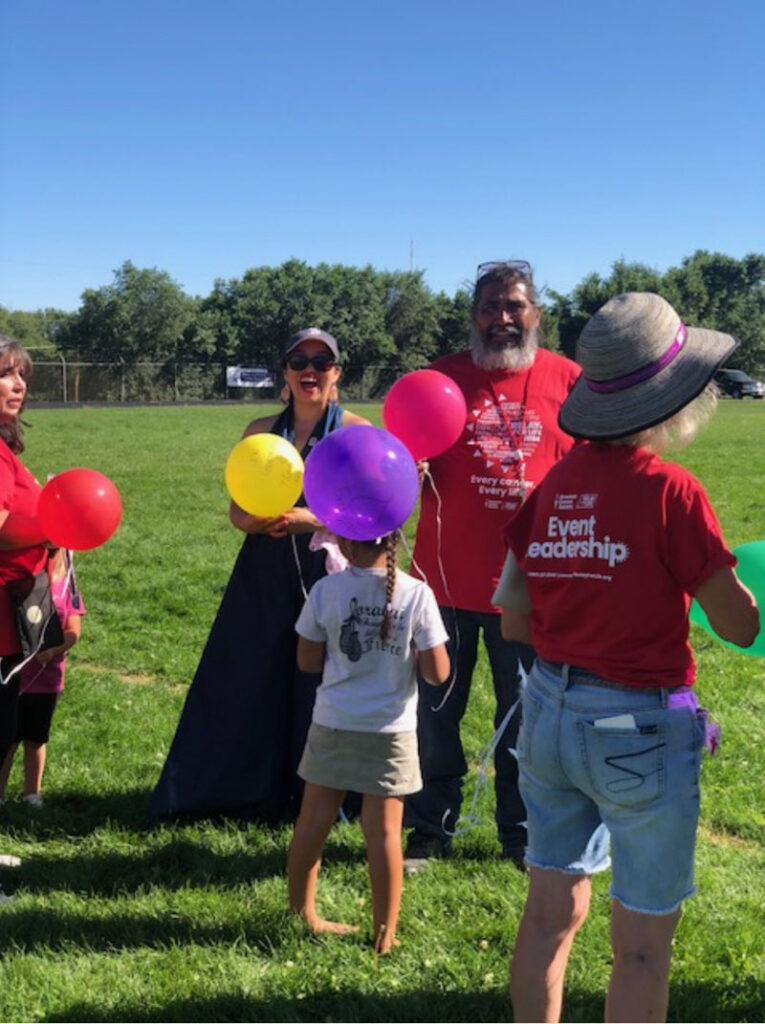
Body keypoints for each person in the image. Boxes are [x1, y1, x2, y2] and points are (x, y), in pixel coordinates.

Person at [494, 292, 759, 1022]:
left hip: (546, 713)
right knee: (640, 945)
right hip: (634, 726)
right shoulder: (671, 490)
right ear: (670, 396)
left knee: (548, 913)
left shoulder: (553, 483)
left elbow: (513, 619)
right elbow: (737, 625)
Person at [148, 328, 369, 822]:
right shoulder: (259, 430)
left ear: (337, 373)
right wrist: (260, 519)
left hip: (329, 570)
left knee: (324, 679)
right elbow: (237, 512)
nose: (309, 370)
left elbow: (370, 517)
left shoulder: (358, 430)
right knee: (250, 676)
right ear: (285, 372)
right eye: (299, 361)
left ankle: (323, 796)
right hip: (263, 568)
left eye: (321, 361)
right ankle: (241, 788)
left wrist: (307, 519)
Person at [404, 260, 581, 869]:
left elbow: (594, 474)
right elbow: (394, 472)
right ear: (473, 316)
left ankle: (522, 832)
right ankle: (430, 827)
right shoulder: (439, 381)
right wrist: (410, 472)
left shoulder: (571, 381)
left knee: (529, 720)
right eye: (489, 308)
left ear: (537, 314)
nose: (502, 319)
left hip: (531, 591)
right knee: (435, 715)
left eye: (514, 306)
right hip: (442, 585)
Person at [289, 530, 450, 952]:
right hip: (390, 732)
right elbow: (439, 674)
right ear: (394, 538)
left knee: (312, 824)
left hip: (333, 723)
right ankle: (384, 934)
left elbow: (307, 661)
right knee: (384, 836)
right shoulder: (417, 593)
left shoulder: (326, 589)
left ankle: (302, 914)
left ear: (344, 544)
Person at [0, 335, 53, 890]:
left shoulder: (5, 448)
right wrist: (51, 523)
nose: (18, 386)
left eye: (23, 376)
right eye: (7, 375)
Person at [0, 549, 85, 808]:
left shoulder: (66, 584)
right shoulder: (20, 581)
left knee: (36, 738)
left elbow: (73, 629)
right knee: (8, 739)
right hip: (14, 676)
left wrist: (54, 650)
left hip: (47, 679)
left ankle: (32, 794)